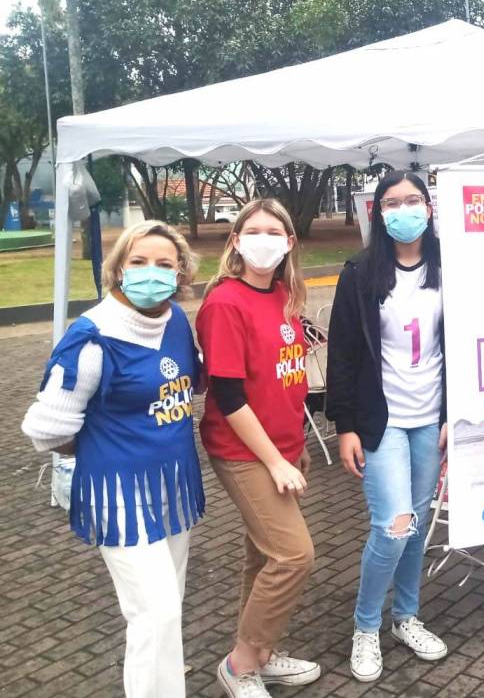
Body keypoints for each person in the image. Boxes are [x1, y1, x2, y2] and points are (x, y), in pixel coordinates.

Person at [21, 221, 205, 698]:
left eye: (164, 263)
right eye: (138, 261)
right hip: (118, 492)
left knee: (169, 607)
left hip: (172, 485)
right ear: (119, 268)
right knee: (155, 612)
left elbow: (190, 383)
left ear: (181, 272)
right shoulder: (92, 337)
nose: (151, 271)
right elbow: (46, 428)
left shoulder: (175, 320)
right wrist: (103, 447)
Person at [325, 171, 448, 683]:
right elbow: (342, 353)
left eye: (413, 200)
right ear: (377, 212)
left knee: (416, 527)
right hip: (383, 421)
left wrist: (453, 413)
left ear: (429, 207)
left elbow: (465, 344)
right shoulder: (359, 273)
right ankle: (366, 625)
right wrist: (345, 426)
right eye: (392, 203)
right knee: (393, 526)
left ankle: (406, 617)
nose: (404, 210)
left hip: (431, 419)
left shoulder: (449, 266)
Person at [196, 199, 320, 697]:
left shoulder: (285, 294)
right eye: (253, 230)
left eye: (274, 232)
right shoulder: (225, 303)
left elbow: (287, 379)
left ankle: (261, 652)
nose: (263, 240)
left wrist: (296, 445)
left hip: (282, 447)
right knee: (293, 556)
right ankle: (240, 664)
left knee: (264, 556)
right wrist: (274, 461)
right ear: (236, 241)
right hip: (244, 453)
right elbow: (228, 397)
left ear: (289, 243)